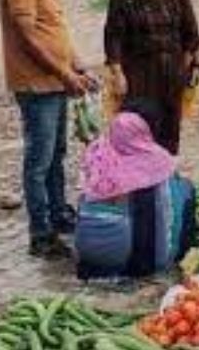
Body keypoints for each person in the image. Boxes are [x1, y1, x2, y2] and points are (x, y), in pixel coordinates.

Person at [0, 0, 95, 258]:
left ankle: (58, 214)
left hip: (55, 83)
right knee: (39, 162)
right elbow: (30, 40)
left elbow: (56, 34)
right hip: (37, 87)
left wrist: (77, 65)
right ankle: (40, 234)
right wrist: (64, 74)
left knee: (57, 156)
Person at [104, 0, 199, 155]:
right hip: (138, 77)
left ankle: (165, 177)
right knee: (140, 130)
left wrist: (191, 64)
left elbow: (191, 31)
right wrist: (117, 73)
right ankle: (142, 183)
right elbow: (113, 38)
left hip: (171, 74)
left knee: (169, 129)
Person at [77, 106, 176, 279]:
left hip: (86, 253)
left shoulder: (97, 154)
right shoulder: (155, 160)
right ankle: (143, 265)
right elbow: (165, 213)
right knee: (180, 194)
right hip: (125, 257)